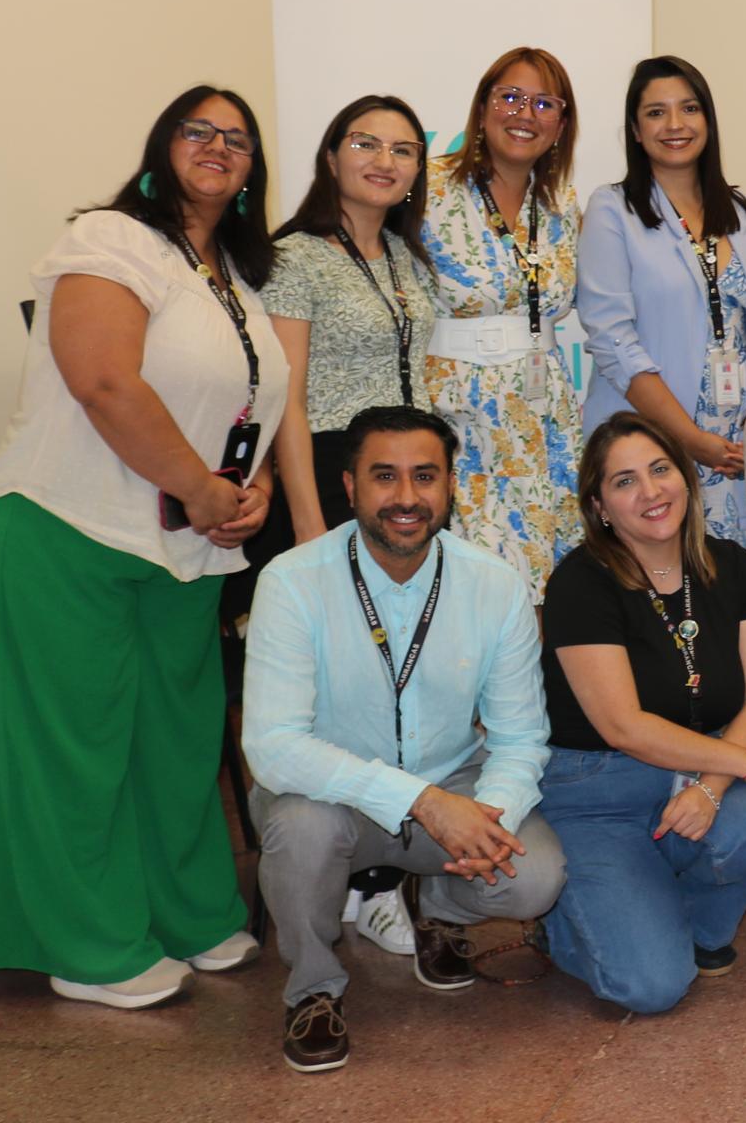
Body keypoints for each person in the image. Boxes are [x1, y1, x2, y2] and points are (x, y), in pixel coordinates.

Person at [0, 85, 287, 1009]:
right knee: (79, 744)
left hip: (183, 547)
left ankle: (189, 914)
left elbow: (244, 406)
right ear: (161, 147)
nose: (219, 147)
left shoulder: (230, 270)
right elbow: (104, 380)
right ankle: (90, 943)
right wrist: (201, 489)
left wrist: (251, 489)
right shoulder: (111, 239)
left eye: (238, 138)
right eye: (200, 130)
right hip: (70, 525)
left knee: (177, 742)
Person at [240, 406, 563, 1073]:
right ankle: (313, 990)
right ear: (350, 486)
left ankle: (437, 911)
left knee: (534, 877)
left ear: (451, 487)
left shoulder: (494, 584)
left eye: (425, 477)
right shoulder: (292, 581)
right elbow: (271, 745)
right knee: (299, 832)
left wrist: (488, 812)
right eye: (385, 477)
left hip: (452, 783)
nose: (407, 498)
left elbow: (521, 735)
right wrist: (420, 801)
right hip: (330, 796)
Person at [537, 416, 746, 1013]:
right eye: (625, 481)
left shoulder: (732, 566)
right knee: (652, 989)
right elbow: (623, 727)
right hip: (596, 789)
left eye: (661, 469)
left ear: (687, 479)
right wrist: (745, 763)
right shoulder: (580, 583)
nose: (651, 492)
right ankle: (566, 923)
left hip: (694, 767)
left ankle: (688, 926)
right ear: (599, 505)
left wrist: (714, 787)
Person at [581, 55, 746, 548]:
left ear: (708, 121)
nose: (674, 124)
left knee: (741, 597)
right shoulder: (613, 209)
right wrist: (691, 441)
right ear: (634, 128)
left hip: (739, 453)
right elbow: (613, 341)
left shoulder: (745, 212)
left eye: (689, 109)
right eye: (655, 112)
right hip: (654, 447)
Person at [422, 46, 586, 599]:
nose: (524, 113)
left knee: (553, 583)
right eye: (510, 97)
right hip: (460, 412)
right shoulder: (427, 187)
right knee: (476, 586)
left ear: (561, 125)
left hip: (546, 415)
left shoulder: (562, 199)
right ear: (483, 107)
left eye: (544, 103)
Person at [267, 94, 439, 545]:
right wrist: (307, 525)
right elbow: (287, 404)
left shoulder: (405, 252)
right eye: (366, 145)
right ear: (330, 158)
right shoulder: (294, 257)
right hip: (333, 466)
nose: (386, 161)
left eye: (403, 150)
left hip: (409, 468)